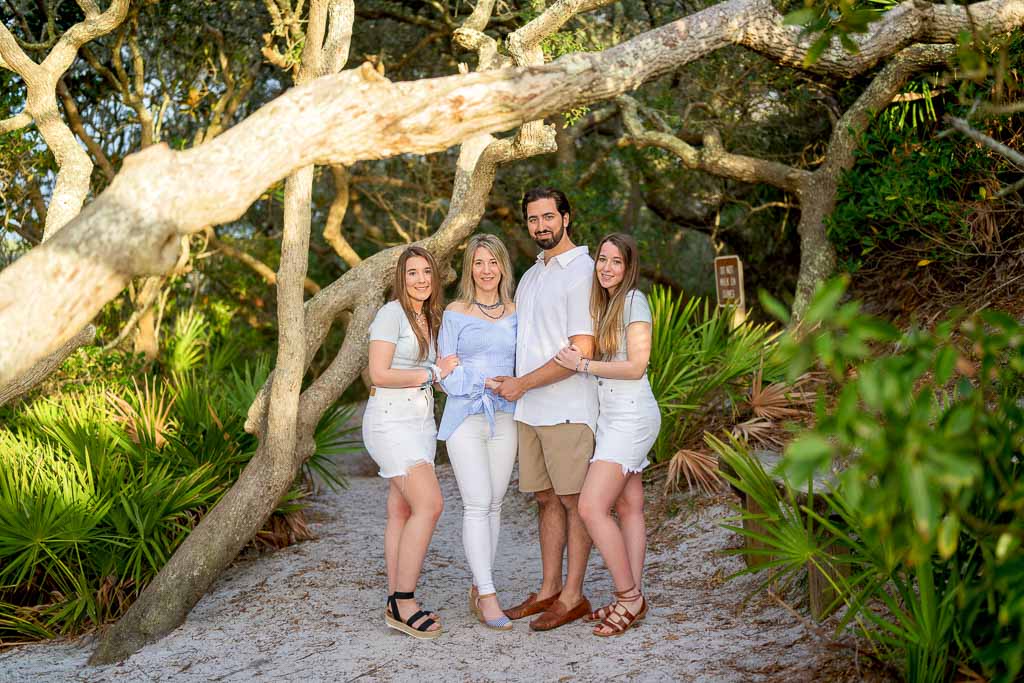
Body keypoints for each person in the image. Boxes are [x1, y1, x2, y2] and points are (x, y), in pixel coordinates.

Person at [492, 187, 599, 632]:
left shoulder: (584, 272)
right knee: (545, 499)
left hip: (568, 408)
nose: (541, 226)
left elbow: (581, 349)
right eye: (533, 219)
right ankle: (549, 589)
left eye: (548, 217)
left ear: (566, 218)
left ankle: (574, 596)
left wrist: (522, 383)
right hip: (530, 410)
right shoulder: (533, 274)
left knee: (574, 501)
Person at [554, 233, 660, 637]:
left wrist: (582, 365)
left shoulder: (634, 301)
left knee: (591, 506)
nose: (607, 267)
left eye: (616, 261)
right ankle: (632, 597)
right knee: (630, 506)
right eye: (602, 259)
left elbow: (636, 367)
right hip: (612, 417)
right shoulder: (606, 304)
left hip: (632, 416)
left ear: (629, 267)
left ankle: (628, 596)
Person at [363, 245, 458, 640]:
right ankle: (405, 601)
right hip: (389, 421)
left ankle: (393, 600)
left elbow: (443, 373)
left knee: (401, 510)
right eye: (412, 273)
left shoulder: (431, 318)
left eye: (426, 272)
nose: (421, 279)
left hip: (420, 423)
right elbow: (378, 373)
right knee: (430, 504)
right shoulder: (391, 314)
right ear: (400, 279)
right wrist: (433, 372)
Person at [437, 234, 518, 631]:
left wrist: (513, 383)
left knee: (495, 504)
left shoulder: (519, 311)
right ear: (469, 268)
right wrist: (484, 381)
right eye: (478, 263)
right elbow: (445, 376)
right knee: (477, 502)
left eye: (493, 262)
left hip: (506, 417)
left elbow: (524, 365)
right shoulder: (454, 312)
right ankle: (488, 593)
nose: (486, 270)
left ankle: (477, 584)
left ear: (503, 266)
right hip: (465, 417)